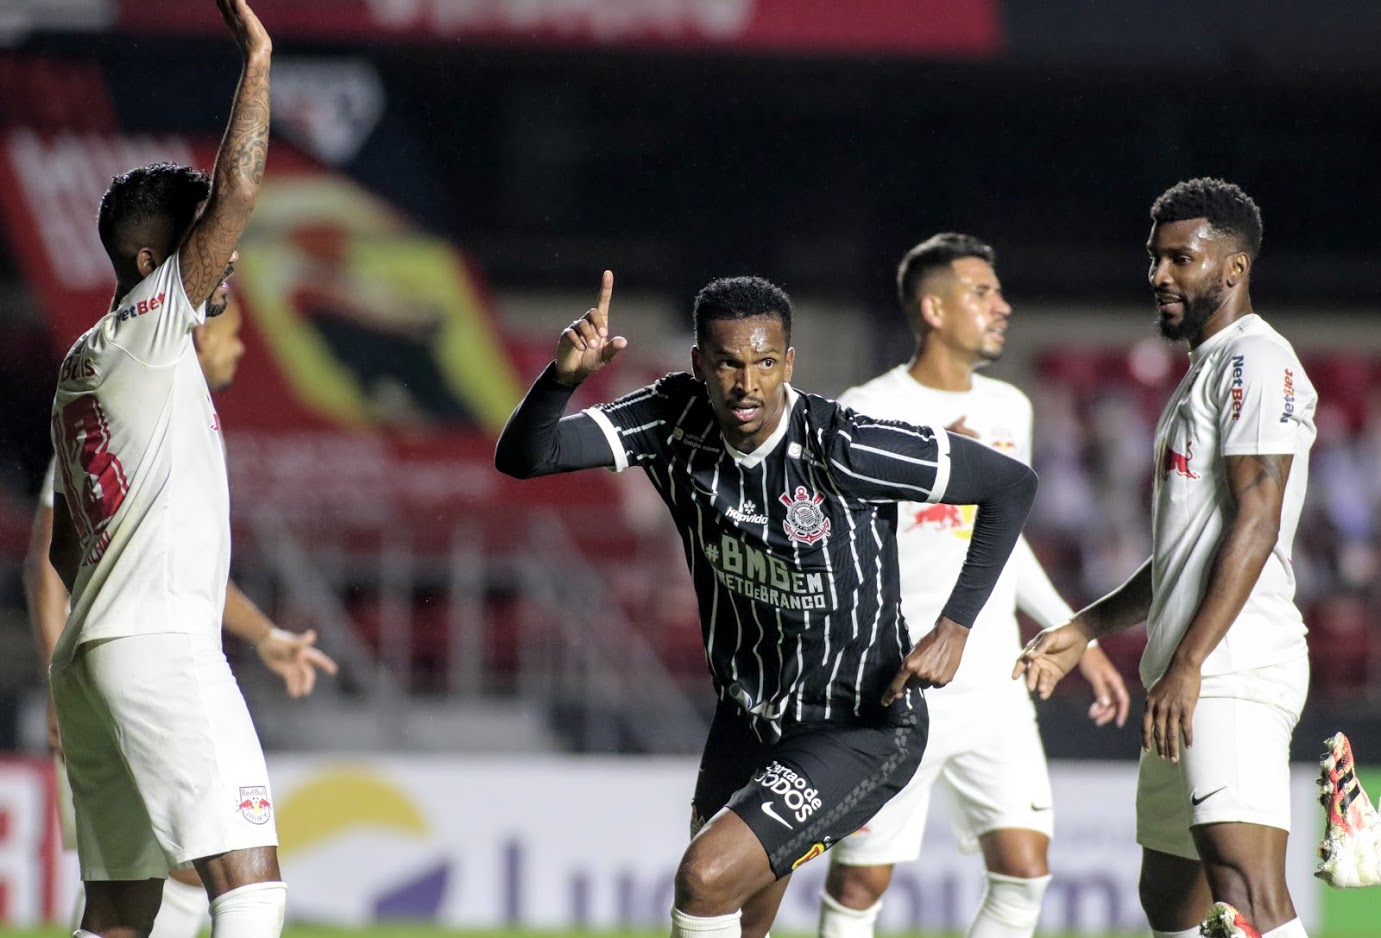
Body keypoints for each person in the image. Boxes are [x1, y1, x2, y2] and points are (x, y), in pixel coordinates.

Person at [495, 270, 1039, 938]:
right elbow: (526, 457)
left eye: (762, 364)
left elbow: (1010, 483)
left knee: (703, 879)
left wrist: (955, 624)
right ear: (699, 364)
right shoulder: (670, 417)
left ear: (788, 362)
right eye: (726, 364)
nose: (745, 385)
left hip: (856, 725)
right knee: (735, 916)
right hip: (747, 718)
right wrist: (561, 378)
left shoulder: (846, 444)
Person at [1014, 178, 1317, 938]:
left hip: (1231, 668)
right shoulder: (1203, 374)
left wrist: (1190, 664)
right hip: (1185, 672)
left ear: (1234, 266)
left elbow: (1256, 519)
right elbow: (1184, 555)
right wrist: (1083, 627)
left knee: (1247, 894)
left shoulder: (1256, 362)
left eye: (1181, 259)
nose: (1159, 275)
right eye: (1155, 259)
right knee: (1171, 900)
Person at [45, 2, 282, 936]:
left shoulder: (81, 365)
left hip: (92, 654)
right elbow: (238, 194)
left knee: (119, 910)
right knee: (250, 886)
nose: (218, 260)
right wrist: (258, 59)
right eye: (191, 246)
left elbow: (68, 542)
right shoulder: (149, 333)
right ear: (150, 262)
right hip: (159, 645)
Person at [819, 233, 1131, 938]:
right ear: (932, 308)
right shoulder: (866, 406)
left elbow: (1002, 541)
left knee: (1024, 872)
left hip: (993, 675)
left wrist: (1071, 634)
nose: (1002, 306)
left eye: (998, 292)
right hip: (899, 680)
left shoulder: (1008, 409)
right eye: (980, 293)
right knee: (862, 878)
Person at [23, 298, 338, 938]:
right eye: (230, 331)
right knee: (242, 879)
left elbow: (167, 564)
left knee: (127, 904)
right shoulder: (133, 410)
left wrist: (267, 635)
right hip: (148, 654)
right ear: (193, 332)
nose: (239, 348)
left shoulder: (162, 417)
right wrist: (55, 674)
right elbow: (47, 562)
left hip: (107, 658)